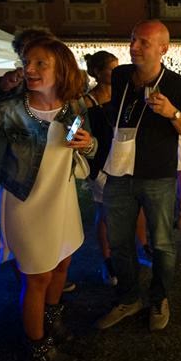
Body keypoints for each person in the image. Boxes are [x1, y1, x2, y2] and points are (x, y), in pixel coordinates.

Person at [0, 36, 96, 361]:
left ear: (62, 68)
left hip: (63, 199)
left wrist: (88, 143)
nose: (30, 69)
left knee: (62, 265)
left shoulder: (74, 107)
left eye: (41, 63)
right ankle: (38, 348)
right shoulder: (6, 111)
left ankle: (52, 320)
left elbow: (88, 147)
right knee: (37, 278)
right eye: (27, 62)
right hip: (25, 204)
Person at [95, 20, 181, 332]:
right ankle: (128, 298)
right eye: (132, 40)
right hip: (119, 172)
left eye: (143, 42)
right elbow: (117, 116)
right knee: (119, 241)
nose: (134, 47)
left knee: (162, 243)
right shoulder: (121, 76)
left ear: (163, 49)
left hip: (157, 176)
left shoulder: (179, 86)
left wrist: (172, 113)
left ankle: (159, 298)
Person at [83, 51, 120, 286]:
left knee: (124, 212)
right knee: (105, 213)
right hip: (100, 164)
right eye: (111, 69)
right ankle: (107, 261)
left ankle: (125, 254)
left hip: (123, 162)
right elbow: (72, 132)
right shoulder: (87, 101)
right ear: (97, 72)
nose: (116, 73)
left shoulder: (122, 95)